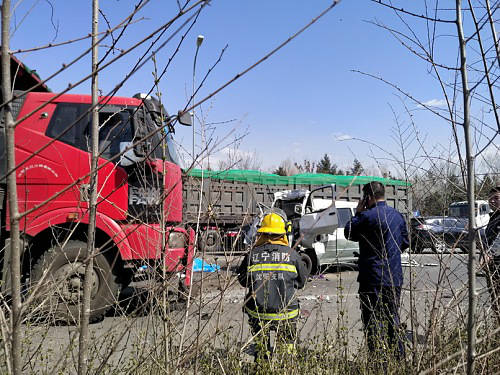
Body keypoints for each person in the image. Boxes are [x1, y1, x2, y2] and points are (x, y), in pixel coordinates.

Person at [344, 181, 409, 360]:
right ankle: (399, 358)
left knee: (372, 320)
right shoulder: (397, 216)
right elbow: (405, 242)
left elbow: (349, 232)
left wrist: (357, 213)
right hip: (393, 277)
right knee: (392, 317)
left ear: (368, 197)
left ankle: (377, 361)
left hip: (372, 277)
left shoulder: (367, 217)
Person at [238, 212, 307, 361]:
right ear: (283, 234)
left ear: (261, 233)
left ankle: (262, 363)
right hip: (286, 314)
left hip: (258, 313)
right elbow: (301, 283)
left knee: (261, 349)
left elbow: (243, 281)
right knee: (286, 350)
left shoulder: (251, 255)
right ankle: (286, 365)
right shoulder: (292, 255)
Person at [483, 186, 500, 318]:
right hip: (493, 266)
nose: (492, 201)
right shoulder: (494, 217)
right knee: (495, 300)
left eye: (496, 198)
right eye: (490, 199)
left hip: (498, 265)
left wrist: (490, 253)